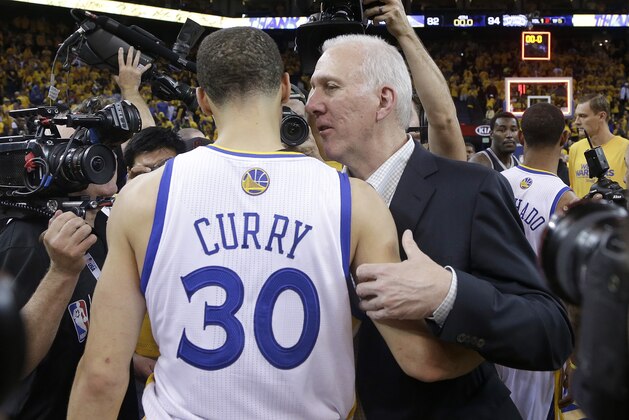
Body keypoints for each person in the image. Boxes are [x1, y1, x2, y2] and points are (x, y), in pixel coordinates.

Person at [68, 27, 479, 419]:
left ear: (203, 100)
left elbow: (103, 374)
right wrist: (501, 336)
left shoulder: (141, 197)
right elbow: (420, 361)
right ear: (284, 88)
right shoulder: (355, 200)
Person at [306, 1, 573, 418]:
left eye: (330, 87)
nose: (312, 104)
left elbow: (549, 331)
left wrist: (446, 294)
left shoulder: (470, 188)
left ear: (383, 101)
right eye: (310, 88)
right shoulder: (318, 197)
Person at [499, 103, 578, 420]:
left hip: (492, 318)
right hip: (538, 329)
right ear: (566, 137)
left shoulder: (495, 182)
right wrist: (570, 357)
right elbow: (569, 290)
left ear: (520, 136)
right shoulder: (566, 201)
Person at [568, 93, 629, 198]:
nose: (576, 122)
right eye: (576, 117)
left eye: (582, 116)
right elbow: (573, 189)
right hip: (583, 214)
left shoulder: (626, 148)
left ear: (601, 116)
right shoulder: (575, 149)